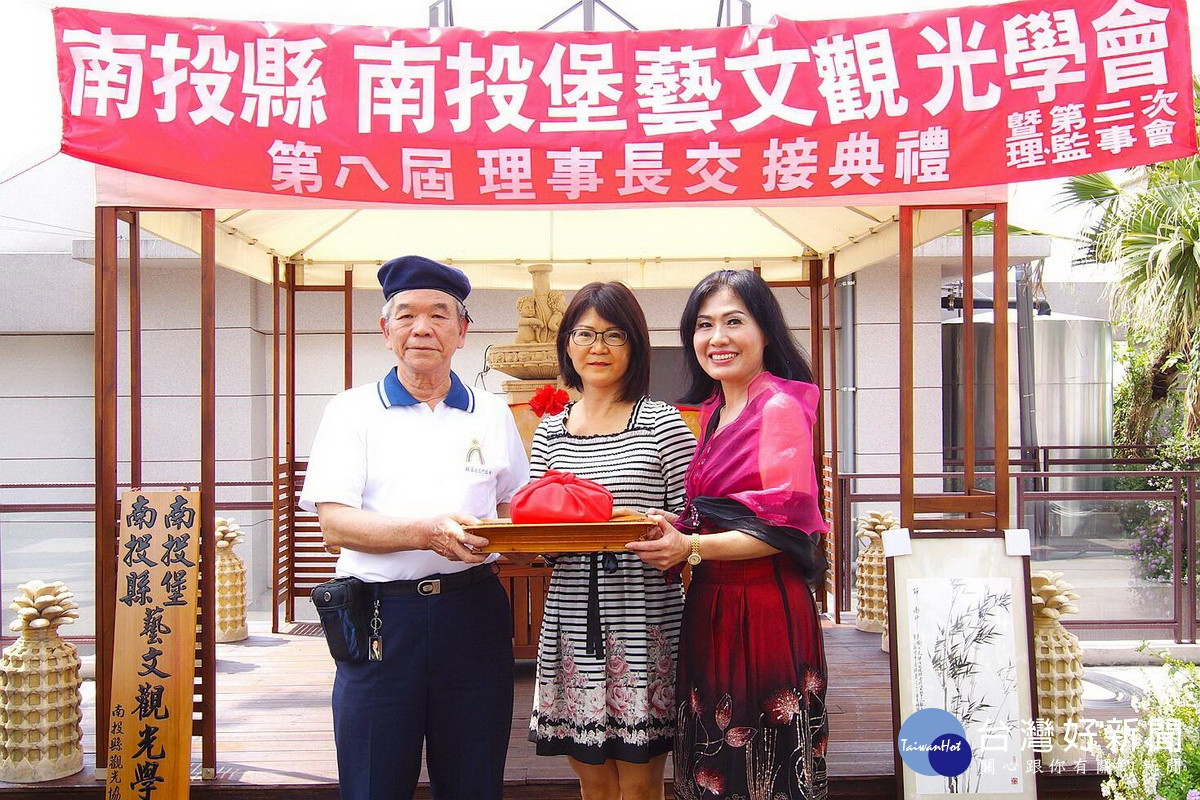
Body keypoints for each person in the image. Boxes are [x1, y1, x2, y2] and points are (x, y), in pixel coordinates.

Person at [298, 255, 530, 800]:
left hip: (473, 612)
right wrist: (427, 533)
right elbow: (335, 524)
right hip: (381, 618)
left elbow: (515, 507)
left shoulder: (492, 413)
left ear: (462, 332)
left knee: (474, 781)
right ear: (386, 331)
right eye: (406, 315)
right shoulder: (351, 411)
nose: (422, 328)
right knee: (374, 782)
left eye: (439, 315)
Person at [627, 269, 830, 800]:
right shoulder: (715, 411)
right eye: (704, 325)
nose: (717, 338)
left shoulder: (778, 408)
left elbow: (780, 528)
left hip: (762, 607)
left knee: (762, 765)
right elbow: (723, 513)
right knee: (715, 755)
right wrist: (676, 525)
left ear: (765, 331)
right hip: (711, 602)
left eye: (734, 321)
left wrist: (689, 546)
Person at [528, 281, 696, 800]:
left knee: (642, 783)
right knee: (593, 780)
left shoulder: (662, 423)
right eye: (585, 333)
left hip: (645, 617)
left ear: (635, 344)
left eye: (614, 334)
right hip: (572, 619)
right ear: (567, 343)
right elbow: (537, 528)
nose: (597, 347)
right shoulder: (550, 430)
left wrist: (657, 527)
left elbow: (692, 520)